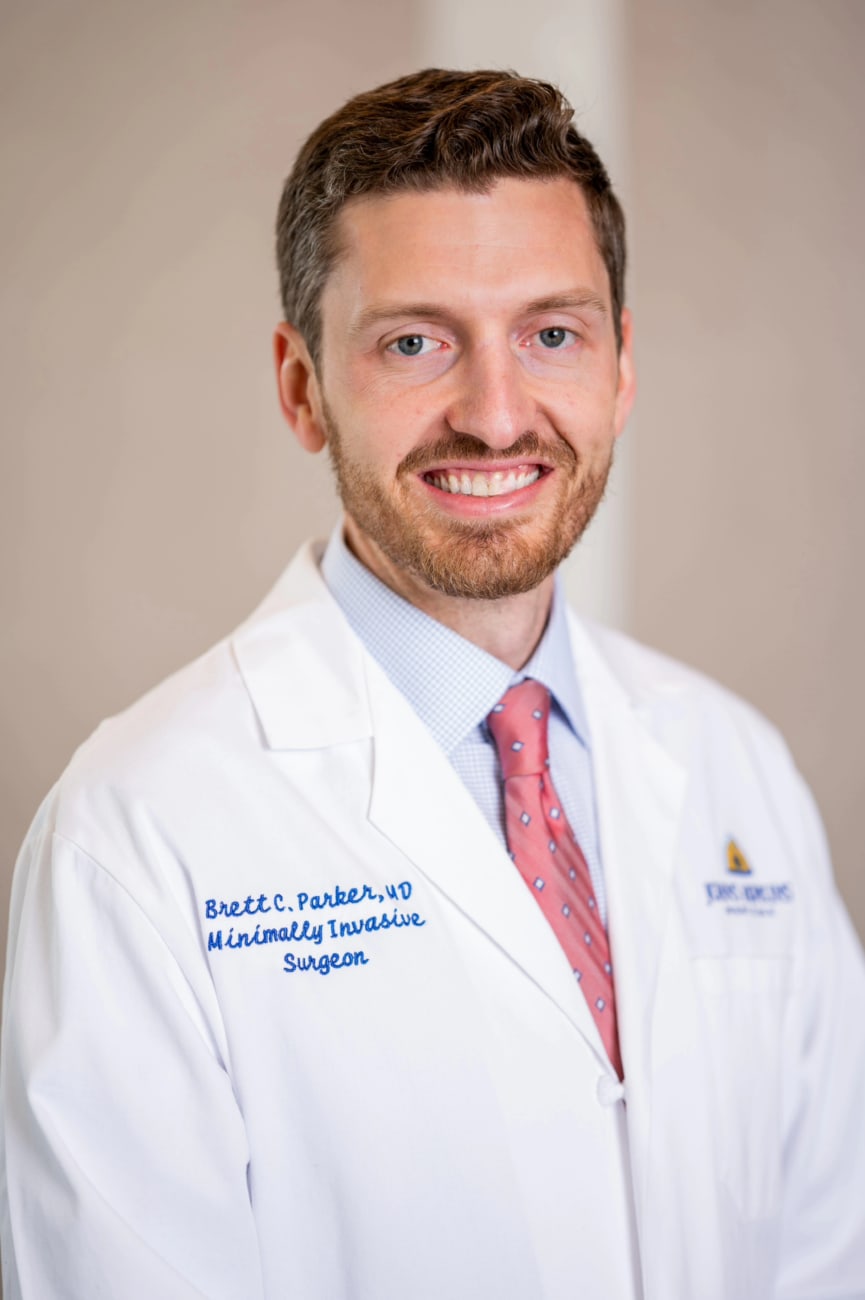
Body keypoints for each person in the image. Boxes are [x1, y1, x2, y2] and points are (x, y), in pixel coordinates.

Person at [1, 67, 863, 1300]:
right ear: (303, 388)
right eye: (415, 341)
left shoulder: (737, 769)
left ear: (619, 369)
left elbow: (829, 1252)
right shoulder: (136, 836)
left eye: (551, 333)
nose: (497, 415)